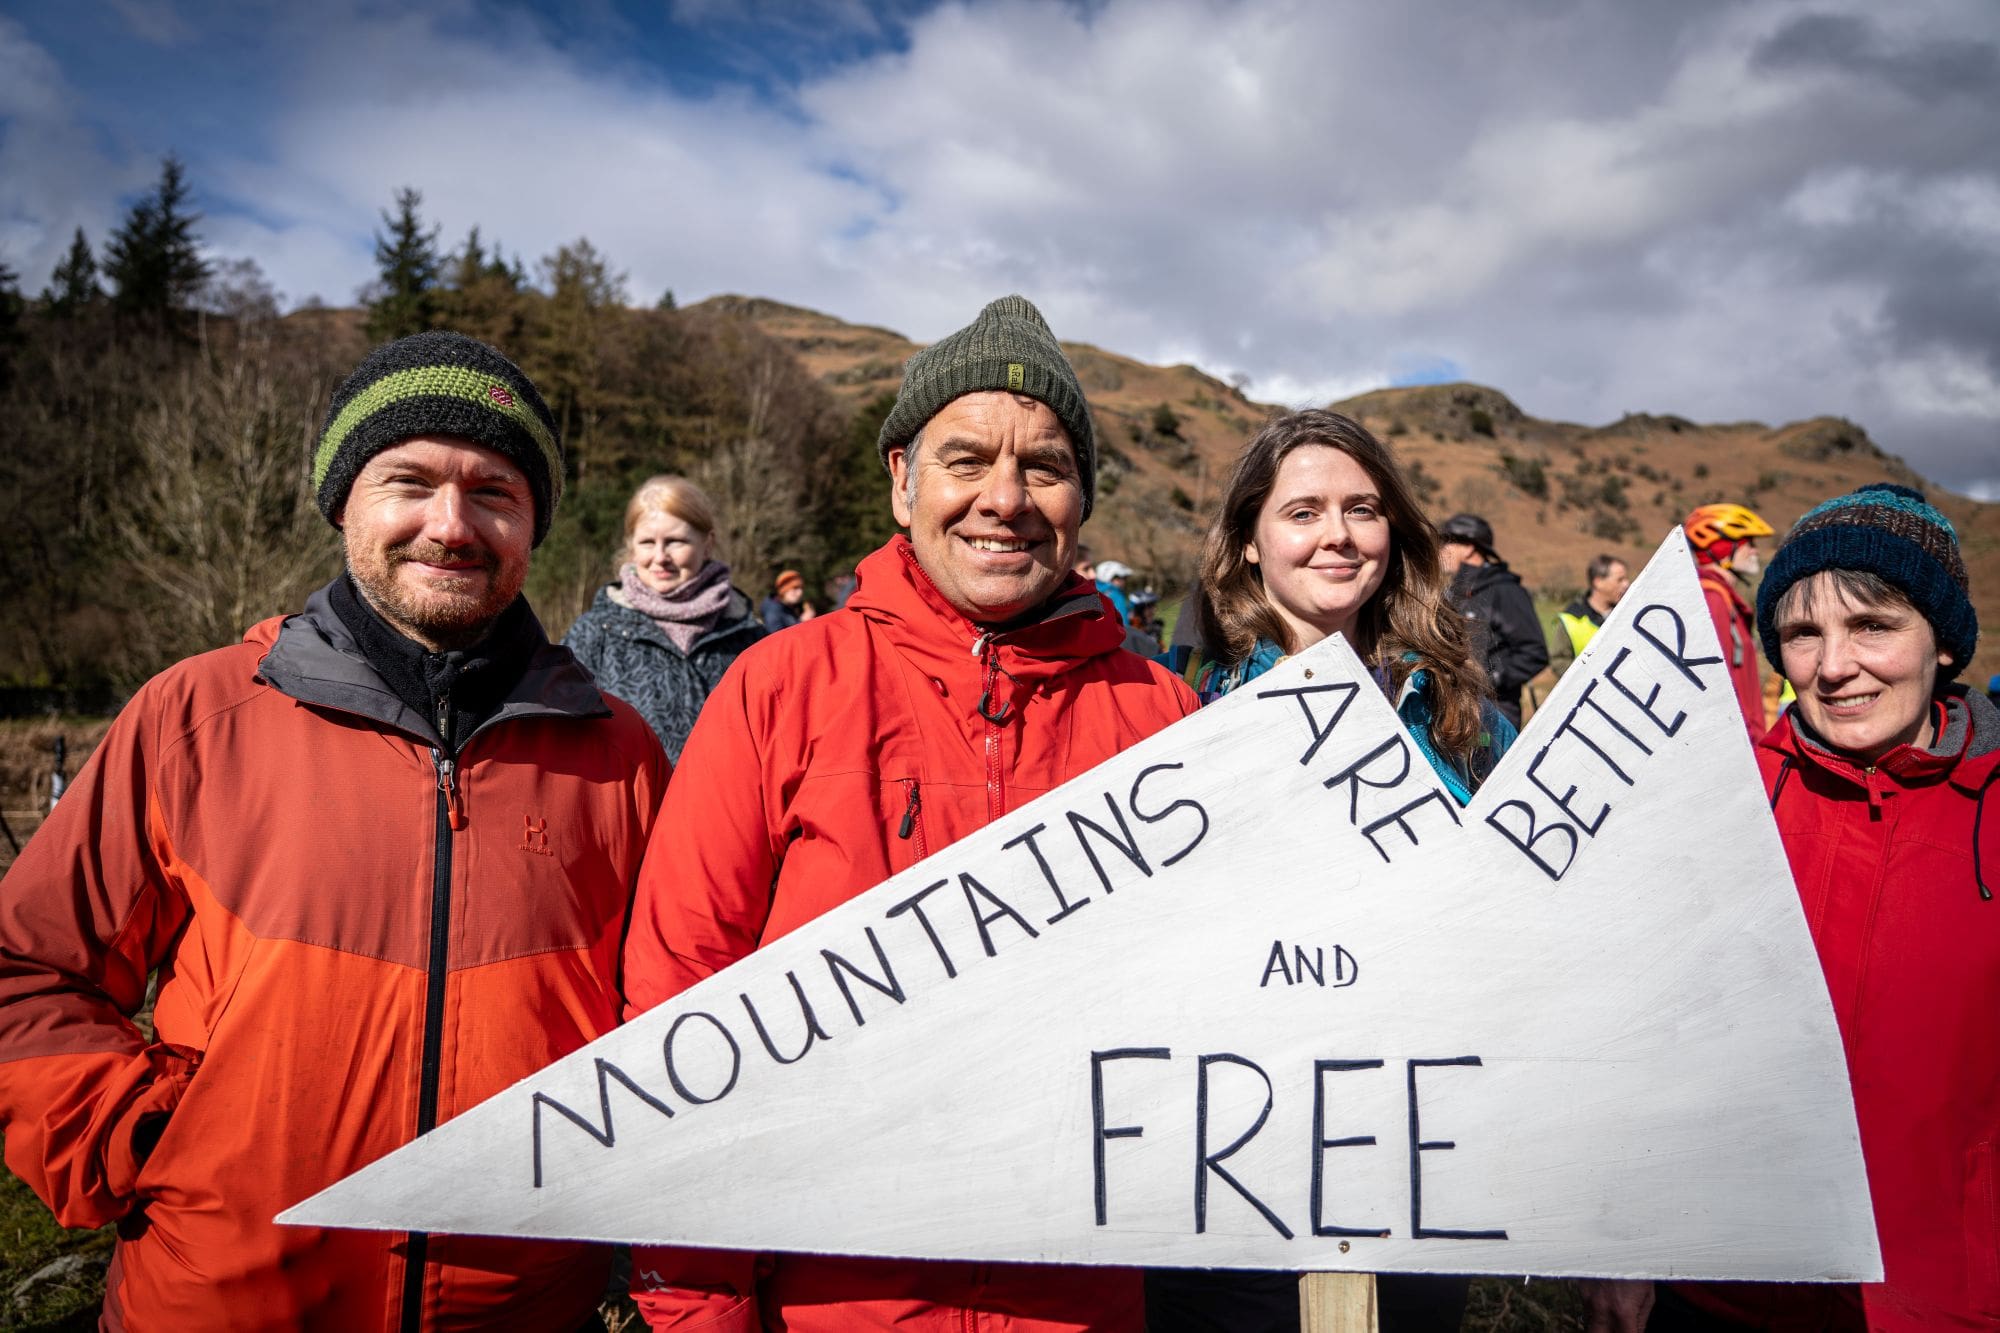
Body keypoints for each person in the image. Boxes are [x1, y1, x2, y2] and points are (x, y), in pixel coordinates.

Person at [0, 331, 669, 1330]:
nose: (451, 523)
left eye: (494, 490)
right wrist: (141, 1137)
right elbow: (25, 967)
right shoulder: (196, 716)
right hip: (223, 1302)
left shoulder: (618, 755)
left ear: (531, 524)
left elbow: (674, 1020)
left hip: (524, 1311)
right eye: (409, 481)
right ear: (344, 501)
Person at [621, 294, 1198, 1332]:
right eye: (966, 459)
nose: (1004, 499)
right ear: (901, 481)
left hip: (1079, 1302)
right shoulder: (777, 686)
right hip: (829, 1301)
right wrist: (697, 1302)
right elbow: (678, 1002)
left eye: (1046, 468)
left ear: (1081, 500)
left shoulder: (1162, 717)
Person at [1601, 483, 1995, 1332]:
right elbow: (1643, 1037)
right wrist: (1625, 1244)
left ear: (1946, 645)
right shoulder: (1720, 803)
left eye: (1874, 626)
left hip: (1945, 1303)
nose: (1834, 664)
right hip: (1718, 1290)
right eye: (1803, 633)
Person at [1157, 409, 1516, 1333]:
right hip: (1237, 1172)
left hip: (1418, 1163)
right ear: (1247, 542)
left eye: (1362, 509)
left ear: (1393, 535)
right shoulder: (1183, 721)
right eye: (1304, 510)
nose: (1337, 535)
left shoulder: (1464, 717)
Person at [563, 475, 764, 761]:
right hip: (631, 805)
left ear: (707, 544)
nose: (660, 557)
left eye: (675, 542)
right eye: (647, 542)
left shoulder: (750, 639)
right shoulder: (594, 635)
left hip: (729, 805)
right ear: (631, 546)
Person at [1438, 511, 1548, 728]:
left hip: (1494, 717)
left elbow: (1534, 652)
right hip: (1456, 714)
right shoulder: (1453, 593)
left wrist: (1489, 679)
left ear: (1469, 547)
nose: (1439, 551)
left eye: (1447, 544)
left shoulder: (1505, 590)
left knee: (1488, 763)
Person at [1684, 502, 1775, 743]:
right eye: (1749, 543)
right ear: (1722, 548)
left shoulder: (1722, 598)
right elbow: (1714, 681)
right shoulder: (1711, 600)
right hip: (1737, 743)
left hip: (1746, 739)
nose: (1755, 551)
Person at [1546, 552, 1630, 679]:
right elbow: (1558, 661)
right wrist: (1588, 677)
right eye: (1620, 580)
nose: (1626, 584)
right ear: (1598, 582)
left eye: (1626, 579)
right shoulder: (1572, 619)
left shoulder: (1630, 614)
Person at [1095, 558, 1135, 623]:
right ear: (1109, 578)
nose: (1124, 582)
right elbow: (1123, 622)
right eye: (1120, 578)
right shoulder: (1116, 595)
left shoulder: (1092, 592)